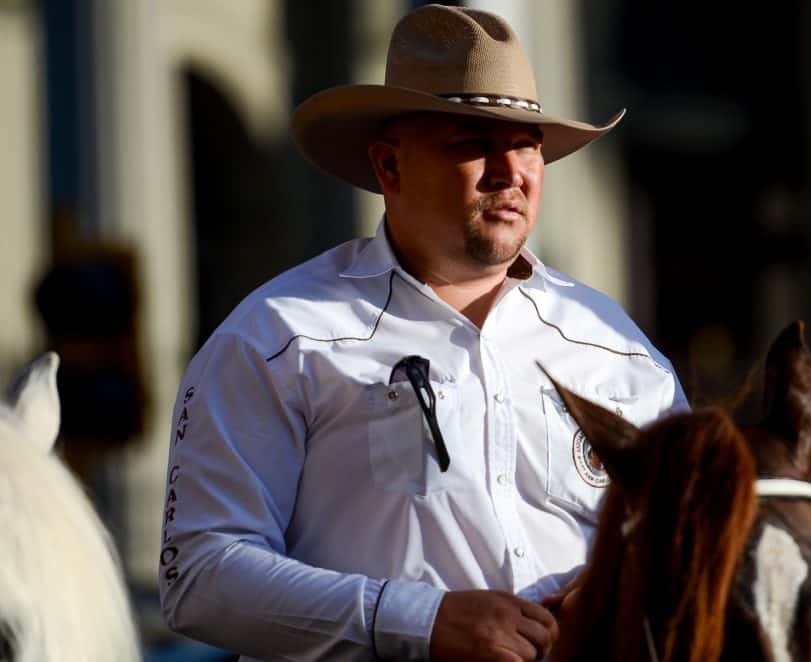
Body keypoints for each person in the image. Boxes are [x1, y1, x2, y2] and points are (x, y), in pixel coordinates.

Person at [158, 5, 687, 661]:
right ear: (390, 168)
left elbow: (694, 543)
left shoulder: (616, 346)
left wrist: (610, 590)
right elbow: (199, 577)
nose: (508, 170)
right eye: (471, 144)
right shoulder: (280, 335)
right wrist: (419, 621)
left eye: (526, 144)